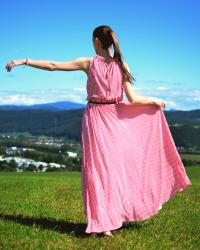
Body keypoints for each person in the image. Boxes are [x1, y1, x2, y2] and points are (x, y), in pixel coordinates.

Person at [5, 25, 192, 238]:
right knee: (111, 169)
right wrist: (155, 101)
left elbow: (52, 66)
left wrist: (23, 61)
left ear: (96, 41)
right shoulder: (122, 65)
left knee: (97, 170)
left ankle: (103, 223)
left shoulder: (89, 62)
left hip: (96, 118)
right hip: (113, 118)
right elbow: (134, 100)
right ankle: (106, 221)